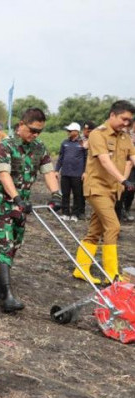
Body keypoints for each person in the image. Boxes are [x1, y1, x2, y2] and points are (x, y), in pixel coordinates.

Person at [0, 108, 62, 312]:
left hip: (22, 204)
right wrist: (16, 197)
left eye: (39, 131)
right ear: (21, 125)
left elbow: (48, 172)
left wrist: (56, 194)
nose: (35, 135)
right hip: (3, 202)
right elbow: (3, 175)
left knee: (13, 245)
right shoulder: (6, 145)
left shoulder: (39, 147)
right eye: (32, 130)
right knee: (4, 244)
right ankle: (6, 295)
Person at [73, 100, 135, 284]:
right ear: (112, 115)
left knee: (95, 231)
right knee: (113, 226)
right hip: (97, 188)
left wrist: (121, 182)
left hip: (112, 190)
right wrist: (123, 179)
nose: (126, 123)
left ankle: (81, 269)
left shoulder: (125, 137)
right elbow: (104, 161)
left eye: (129, 121)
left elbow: (132, 157)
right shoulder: (97, 135)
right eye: (124, 119)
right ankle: (111, 274)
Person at [56, 122, 87, 221]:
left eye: (70, 131)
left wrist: (85, 172)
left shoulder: (82, 143)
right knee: (65, 194)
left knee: (77, 195)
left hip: (77, 174)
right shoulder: (64, 143)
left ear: (76, 131)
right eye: (67, 130)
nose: (68, 132)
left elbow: (87, 159)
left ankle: (75, 214)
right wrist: (57, 170)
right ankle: (65, 213)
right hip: (65, 173)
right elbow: (60, 157)